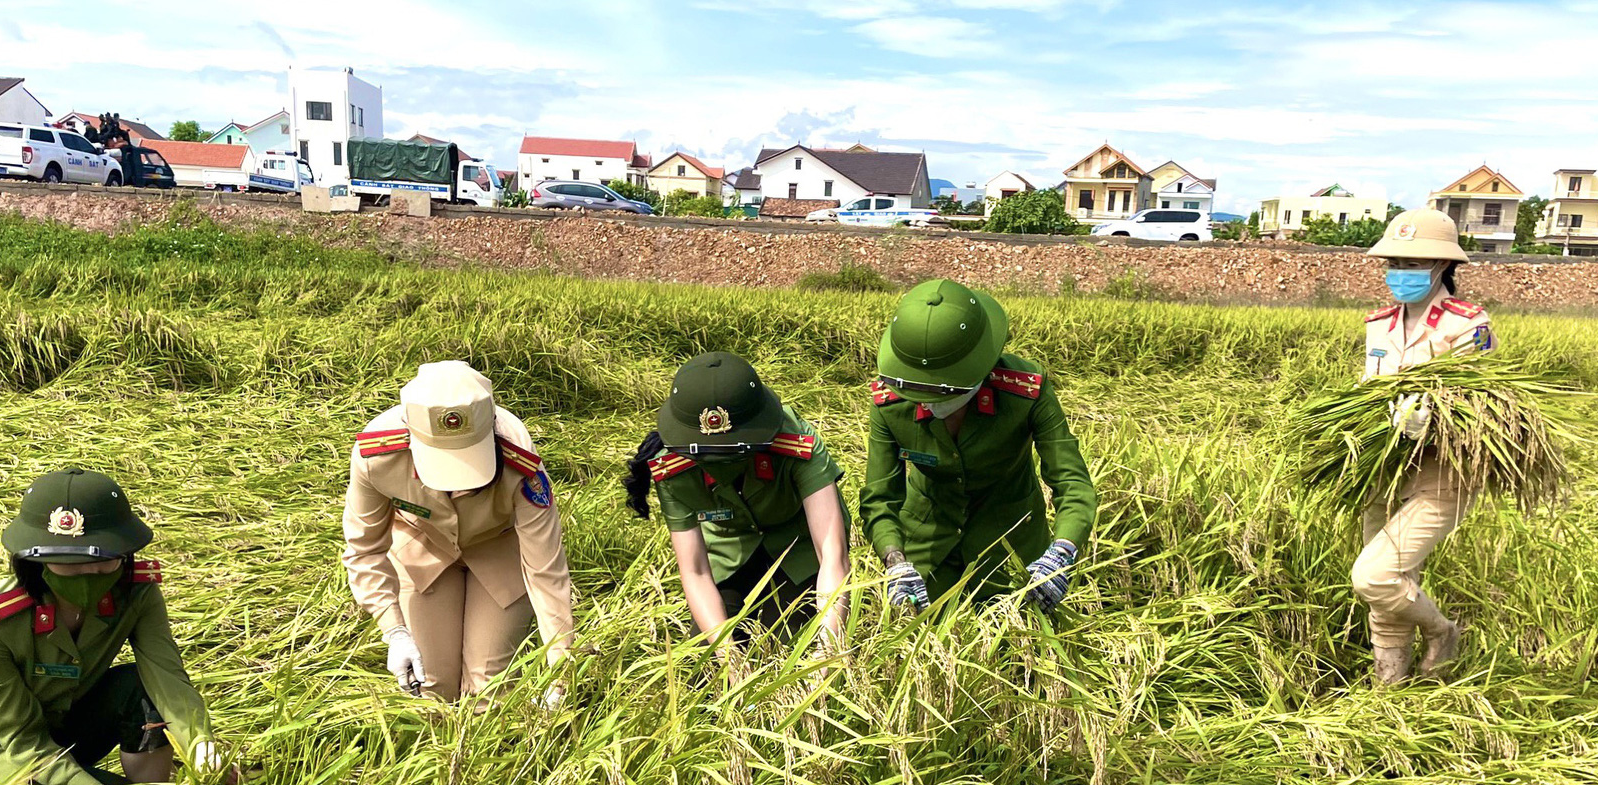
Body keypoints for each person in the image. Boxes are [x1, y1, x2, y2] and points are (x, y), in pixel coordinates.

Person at [0, 469, 232, 785]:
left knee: (141, 693)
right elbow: (23, 741)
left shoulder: (136, 595)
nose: (86, 574)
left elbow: (166, 676)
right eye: (67, 563)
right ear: (33, 561)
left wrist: (202, 747)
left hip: (60, 724)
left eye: (102, 562)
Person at [343, 360, 574, 702]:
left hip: (498, 552)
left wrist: (561, 672)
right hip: (423, 549)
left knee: (489, 687)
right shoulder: (376, 456)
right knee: (428, 686)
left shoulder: (521, 461)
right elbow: (365, 549)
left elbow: (546, 573)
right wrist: (394, 631)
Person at [860, 278, 1098, 609]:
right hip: (927, 548)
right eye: (921, 395)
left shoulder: (1025, 393)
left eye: (943, 393)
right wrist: (895, 561)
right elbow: (880, 498)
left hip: (1012, 546)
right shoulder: (890, 404)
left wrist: (1061, 553)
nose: (930, 404)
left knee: (1015, 648)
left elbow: (1072, 483)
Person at [1353, 207, 1496, 685]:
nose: (1401, 273)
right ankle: (1388, 690)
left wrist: (1431, 417)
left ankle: (1443, 632)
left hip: (1441, 475)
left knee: (1372, 576)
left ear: (1442, 267)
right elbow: (1367, 390)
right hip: (1383, 470)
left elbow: (1481, 407)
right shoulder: (1379, 324)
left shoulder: (1466, 323)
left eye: (1414, 265)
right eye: (1395, 262)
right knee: (1389, 586)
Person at [624, 351, 850, 645]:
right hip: (730, 554)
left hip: (798, 550)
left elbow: (832, 554)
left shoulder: (795, 443)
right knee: (704, 668)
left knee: (788, 644)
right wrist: (727, 657)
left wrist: (829, 650)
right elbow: (695, 570)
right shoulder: (672, 469)